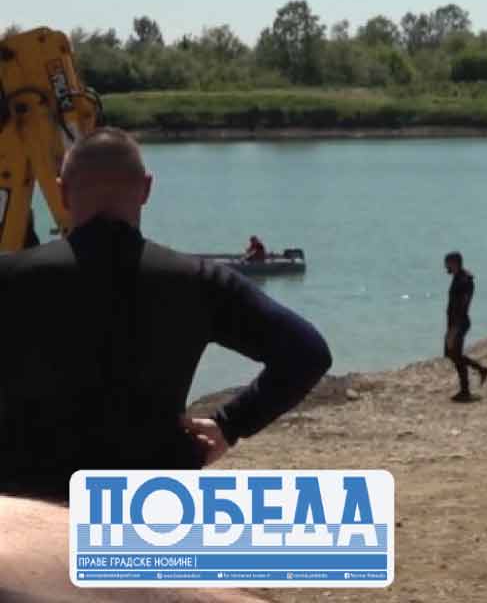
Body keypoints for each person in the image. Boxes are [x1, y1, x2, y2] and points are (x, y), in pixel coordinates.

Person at [0, 127, 332, 496]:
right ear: (146, 189)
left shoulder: (11, 277)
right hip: (153, 497)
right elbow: (307, 352)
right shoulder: (198, 281)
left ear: (62, 193)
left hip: (28, 500)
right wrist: (230, 424)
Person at [443, 250, 487, 401]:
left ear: (454, 263)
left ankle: (466, 389)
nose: (446, 267)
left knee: (455, 354)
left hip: (459, 322)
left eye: (447, 263)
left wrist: (454, 328)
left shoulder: (464, 280)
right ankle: (479, 372)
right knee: (452, 354)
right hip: (455, 322)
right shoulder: (459, 277)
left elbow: (462, 305)